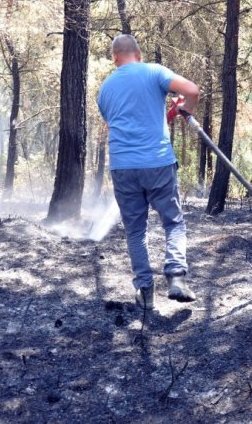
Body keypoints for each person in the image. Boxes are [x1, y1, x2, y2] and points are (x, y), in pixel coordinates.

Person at [97, 34, 200, 310]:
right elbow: (192, 90)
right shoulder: (154, 71)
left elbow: (121, 123)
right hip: (157, 163)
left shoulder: (105, 88)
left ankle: (145, 290)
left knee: (135, 232)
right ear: (139, 54)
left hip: (123, 167)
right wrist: (184, 110)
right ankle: (176, 276)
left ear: (114, 58)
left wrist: (166, 115)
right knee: (173, 222)